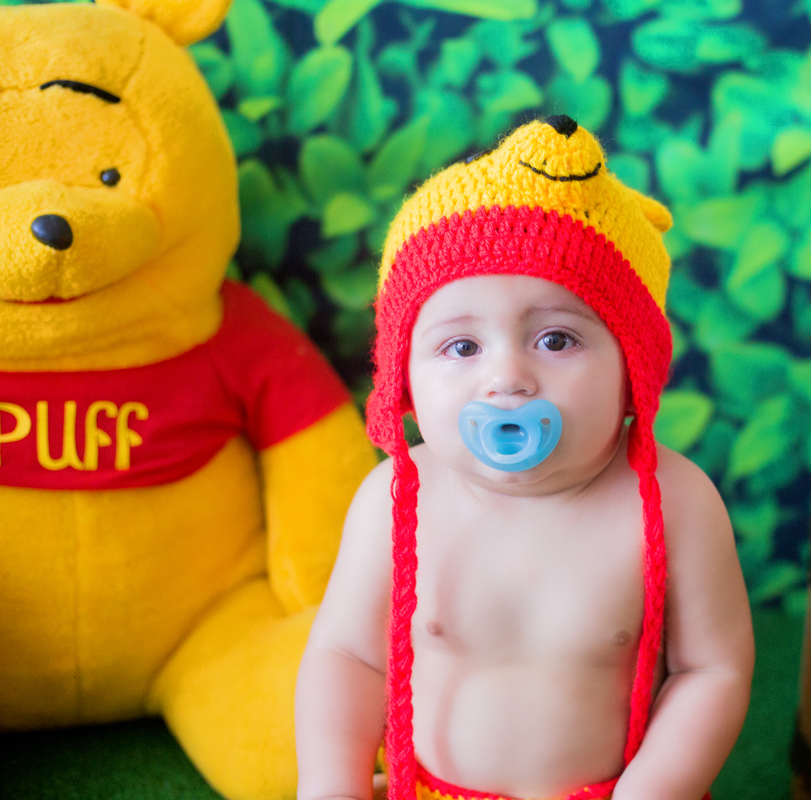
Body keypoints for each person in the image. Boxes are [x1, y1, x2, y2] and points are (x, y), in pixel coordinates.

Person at [295, 116, 754, 800]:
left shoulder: (674, 501)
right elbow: (349, 657)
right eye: (462, 348)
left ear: (634, 365)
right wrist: (333, 783)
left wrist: (653, 789)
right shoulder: (400, 496)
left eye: (557, 340)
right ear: (405, 377)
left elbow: (711, 671)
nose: (507, 378)